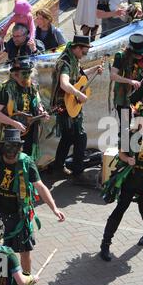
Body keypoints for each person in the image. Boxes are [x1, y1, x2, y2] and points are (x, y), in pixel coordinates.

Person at [0, 129, 65, 275]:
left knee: (25, 252)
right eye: (8, 147)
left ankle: (26, 281)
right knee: (0, 250)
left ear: (19, 148)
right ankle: (2, 281)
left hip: (19, 215)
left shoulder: (26, 162)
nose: (11, 152)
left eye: (14, 147)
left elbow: (40, 187)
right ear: (3, 146)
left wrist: (54, 208)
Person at [100, 102, 143, 261]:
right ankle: (105, 244)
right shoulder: (130, 134)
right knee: (120, 208)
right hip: (131, 177)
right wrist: (127, 159)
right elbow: (121, 153)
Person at [50, 35, 103, 180]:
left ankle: (58, 166)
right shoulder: (65, 62)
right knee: (80, 137)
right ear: (77, 48)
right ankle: (78, 171)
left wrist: (94, 70)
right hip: (65, 105)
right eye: (84, 51)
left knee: (67, 138)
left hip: (71, 104)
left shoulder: (74, 60)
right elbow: (64, 84)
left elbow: (80, 75)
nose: (84, 54)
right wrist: (79, 94)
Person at [0, 58, 49, 161]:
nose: (27, 76)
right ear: (15, 74)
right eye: (24, 73)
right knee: (10, 161)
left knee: (27, 159)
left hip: (30, 130)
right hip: (11, 133)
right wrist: (14, 123)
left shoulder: (32, 86)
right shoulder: (6, 89)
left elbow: (38, 102)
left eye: (29, 73)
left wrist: (41, 111)